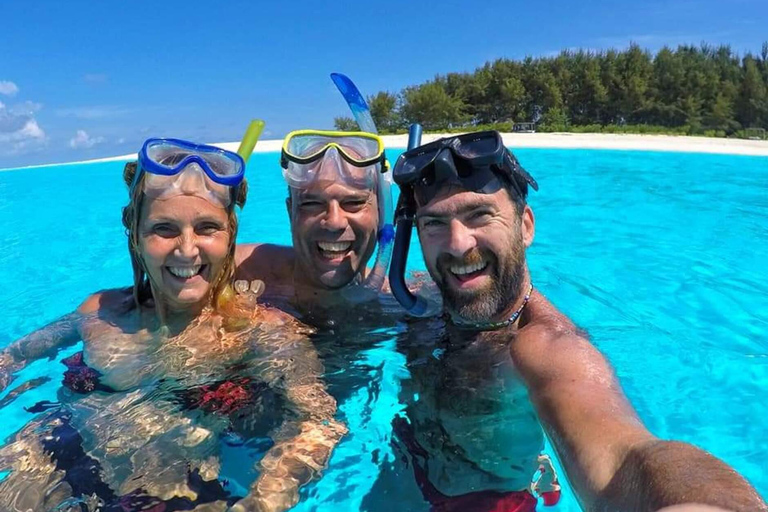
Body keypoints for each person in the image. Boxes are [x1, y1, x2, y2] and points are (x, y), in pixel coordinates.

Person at [387, 130, 767, 512]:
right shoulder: (426, 298)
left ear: (526, 226)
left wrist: (708, 504)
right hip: (409, 459)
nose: (457, 244)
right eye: (434, 224)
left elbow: (626, 457)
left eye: (480, 215)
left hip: (484, 499)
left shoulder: (542, 347)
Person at [0, 137, 345, 512]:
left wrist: (264, 498)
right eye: (164, 228)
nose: (186, 249)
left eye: (206, 227)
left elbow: (317, 422)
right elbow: (12, 359)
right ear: (134, 233)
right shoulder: (100, 311)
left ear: (230, 235)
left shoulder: (262, 330)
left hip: (178, 488)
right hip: (50, 458)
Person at [235, 129, 400, 323]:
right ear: (291, 213)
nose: (334, 222)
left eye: (354, 203)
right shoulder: (240, 269)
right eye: (311, 204)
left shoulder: (400, 299)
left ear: (382, 212)